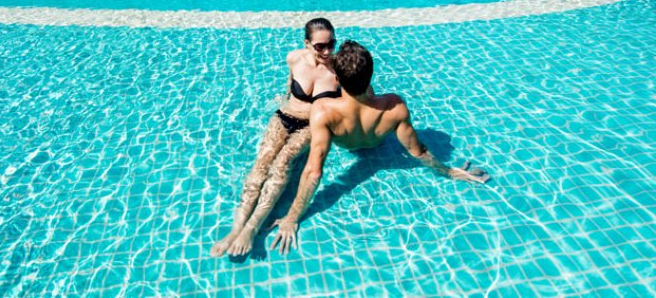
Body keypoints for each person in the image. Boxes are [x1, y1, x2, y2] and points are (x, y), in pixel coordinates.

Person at [270, 40, 490, 255]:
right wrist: (449, 171)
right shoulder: (394, 106)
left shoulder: (323, 110)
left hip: (346, 142)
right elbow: (419, 151)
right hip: (376, 140)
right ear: (371, 74)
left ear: (336, 78)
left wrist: (292, 217)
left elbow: (314, 171)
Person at [210, 18, 341, 257]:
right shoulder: (294, 58)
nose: (327, 51)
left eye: (331, 44)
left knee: (282, 163)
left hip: (310, 125)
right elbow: (290, 84)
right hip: (283, 116)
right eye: (320, 46)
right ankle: (235, 229)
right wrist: (281, 99)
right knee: (261, 163)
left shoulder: (338, 70)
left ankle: (252, 227)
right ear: (307, 43)